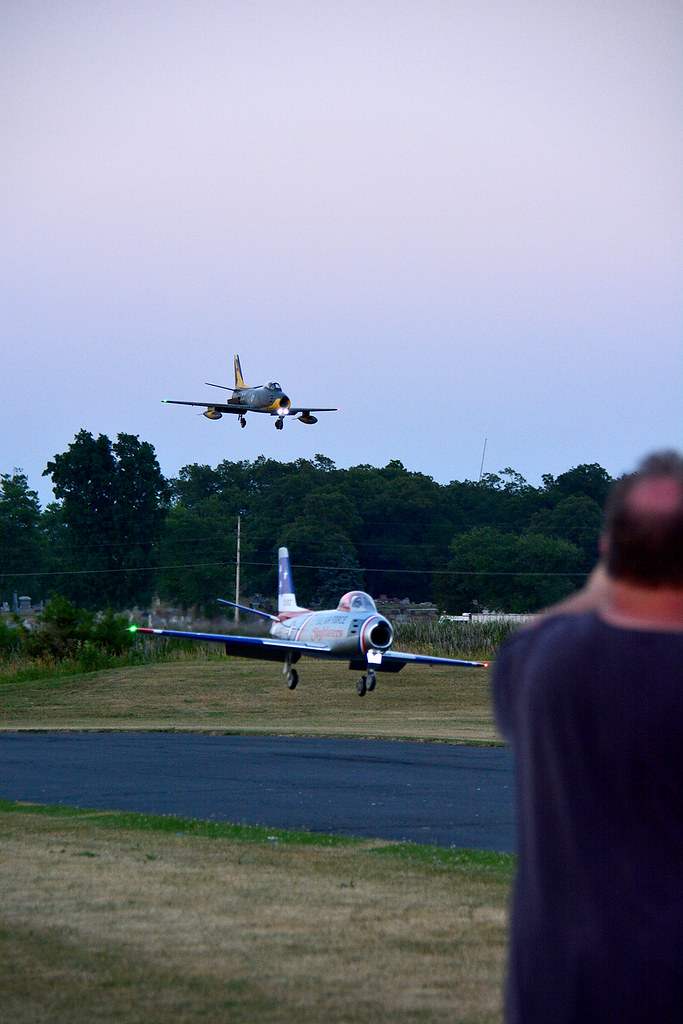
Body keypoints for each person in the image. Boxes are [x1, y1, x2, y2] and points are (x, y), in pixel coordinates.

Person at [492, 450, 683, 1023]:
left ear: (607, 549)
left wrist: (605, 582)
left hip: (557, 991)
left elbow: (531, 633)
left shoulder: (536, 662)